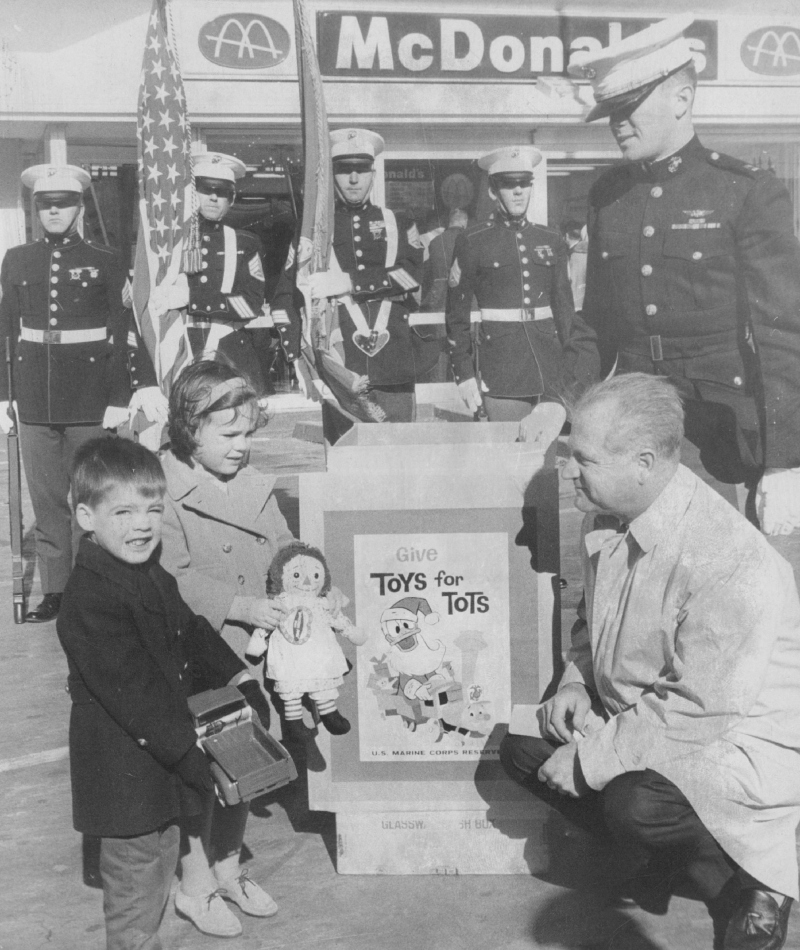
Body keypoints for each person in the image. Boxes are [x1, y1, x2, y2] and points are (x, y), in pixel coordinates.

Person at [500, 373, 800, 950]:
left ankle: (753, 882)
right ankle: (672, 861)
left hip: (732, 737)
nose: (567, 470)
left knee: (632, 803)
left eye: (581, 458)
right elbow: (594, 621)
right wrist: (576, 684)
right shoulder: (608, 514)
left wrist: (589, 758)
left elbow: (701, 705)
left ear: (642, 462)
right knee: (523, 747)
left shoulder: (727, 554)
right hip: (649, 717)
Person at [567, 15, 800, 562]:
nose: (617, 124)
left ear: (682, 97)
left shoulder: (745, 191)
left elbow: (783, 336)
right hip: (633, 438)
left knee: (724, 589)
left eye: (630, 108)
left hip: (719, 438)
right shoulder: (608, 195)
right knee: (629, 583)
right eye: (611, 113)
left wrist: (788, 459)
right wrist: (566, 407)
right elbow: (595, 321)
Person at [55, 437, 271, 949]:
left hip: (159, 772)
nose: (143, 525)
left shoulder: (148, 571)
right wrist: (196, 758)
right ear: (86, 516)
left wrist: (238, 677)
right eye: (124, 511)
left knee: (155, 878)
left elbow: (191, 629)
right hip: (124, 783)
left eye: (153, 509)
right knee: (135, 904)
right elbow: (140, 697)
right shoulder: (90, 598)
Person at [158, 360, 294, 936]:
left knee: (247, 768)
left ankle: (229, 866)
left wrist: (306, 584)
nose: (242, 447)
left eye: (248, 434)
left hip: (255, 652)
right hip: (202, 656)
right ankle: (195, 884)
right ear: (190, 429)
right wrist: (239, 606)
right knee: (202, 774)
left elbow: (287, 548)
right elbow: (171, 576)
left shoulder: (256, 486)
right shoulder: (163, 490)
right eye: (228, 435)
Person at [0, 163, 164, 623]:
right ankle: (58, 592)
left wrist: (130, 388)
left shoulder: (107, 260)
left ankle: (99, 589)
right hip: (34, 399)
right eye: (45, 204)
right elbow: (5, 330)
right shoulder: (16, 259)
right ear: (36, 209)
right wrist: (1, 395)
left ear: (78, 207)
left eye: (63, 203)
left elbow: (124, 329)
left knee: (93, 499)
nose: (54, 211)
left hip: (92, 398)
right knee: (48, 502)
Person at [272, 128, 439, 422]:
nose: (353, 179)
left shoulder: (399, 221)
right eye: (344, 170)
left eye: (361, 170)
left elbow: (412, 275)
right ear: (332, 175)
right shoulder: (313, 232)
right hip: (339, 362)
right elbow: (285, 294)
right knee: (345, 457)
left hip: (394, 361)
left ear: (372, 174)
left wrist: (351, 282)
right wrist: (295, 355)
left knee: (397, 453)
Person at [446, 147, 585, 422]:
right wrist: (463, 374)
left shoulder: (550, 238)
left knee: (549, 457)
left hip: (551, 368)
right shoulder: (473, 241)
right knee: (509, 456)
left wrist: (573, 366)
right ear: (493, 192)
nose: (519, 191)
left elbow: (564, 310)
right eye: (509, 185)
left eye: (524, 184)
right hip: (503, 371)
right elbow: (456, 316)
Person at [151, 152, 270, 396]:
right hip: (179, 346)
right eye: (205, 189)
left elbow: (252, 305)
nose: (214, 197)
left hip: (227, 351)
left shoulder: (245, 243)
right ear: (192, 193)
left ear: (232, 199)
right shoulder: (168, 243)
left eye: (223, 192)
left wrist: (192, 298)